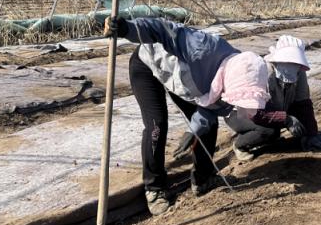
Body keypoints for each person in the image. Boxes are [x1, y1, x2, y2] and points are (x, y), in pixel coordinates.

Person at [111, 16, 269, 214]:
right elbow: (161, 28)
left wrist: (193, 129)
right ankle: (155, 188)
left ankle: (204, 179)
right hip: (149, 64)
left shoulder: (246, 71)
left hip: (184, 83)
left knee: (209, 127)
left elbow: (211, 108)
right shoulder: (201, 48)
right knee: (156, 125)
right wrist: (128, 28)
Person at [225, 35, 318, 160]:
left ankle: (269, 132)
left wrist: (310, 133)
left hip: (273, 109)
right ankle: (240, 145)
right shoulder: (262, 71)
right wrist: (286, 119)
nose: (292, 67)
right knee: (269, 132)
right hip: (242, 113)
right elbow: (256, 113)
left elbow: (303, 103)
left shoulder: (299, 71)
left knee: (302, 127)